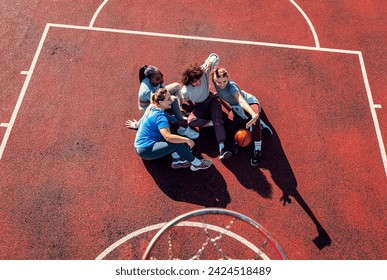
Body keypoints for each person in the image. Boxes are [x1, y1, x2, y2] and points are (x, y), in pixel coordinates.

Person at [126, 88, 212, 171]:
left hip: (140, 146)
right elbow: (168, 137)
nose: (171, 100)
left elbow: (163, 115)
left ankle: (178, 159)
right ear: (161, 102)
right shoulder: (160, 118)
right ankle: (197, 164)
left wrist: (177, 121)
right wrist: (187, 140)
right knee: (177, 143)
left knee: (174, 137)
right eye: (168, 99)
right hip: (146, 151)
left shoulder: (152, 106)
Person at [211, 67, 273, 166]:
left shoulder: (231, 87)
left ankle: (257, 150)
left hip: (249, 102)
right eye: (219, 82)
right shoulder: (215, 80)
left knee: (254, 120)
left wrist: (253, 113)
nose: (222, 84)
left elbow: (241, 101)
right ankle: (255, 125)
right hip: (236, 108)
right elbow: (212, 61)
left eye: (224, 81)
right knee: (229, 128)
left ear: (227, 77)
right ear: (214, 80)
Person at [181, 54, 232, 160]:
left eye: (199, 79)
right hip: (200, 106)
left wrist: (210, 62)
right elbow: (187, 99)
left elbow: (215, 56)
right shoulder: (185, 91)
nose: (199, 82)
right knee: (190, 121)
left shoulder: (203, 73)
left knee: (218, 120)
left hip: (212, 100)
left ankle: (222, 148)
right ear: (189, 81)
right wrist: (193, 107)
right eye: (195, 81)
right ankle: (211, 123)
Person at [136, 65, 199, 139]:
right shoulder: (147, 91)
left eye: (161, 76)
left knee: (177, 86)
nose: (162, 79)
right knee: (173, 99)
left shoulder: (156, 79)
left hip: (158, 96)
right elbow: (159, 110)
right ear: (151, 80)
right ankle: (182, 127)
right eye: (159, 79)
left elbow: (163, 90)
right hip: (147, 106)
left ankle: (179, 110)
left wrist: (177, 107)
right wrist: (176, 121)